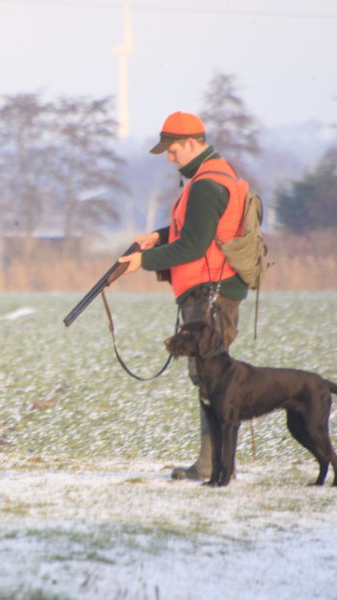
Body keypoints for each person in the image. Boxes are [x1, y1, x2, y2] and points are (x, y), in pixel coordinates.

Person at [117, 111, 249, 481]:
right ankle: (216, 463)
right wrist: (158, 236)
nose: (169, 158)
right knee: (210, 378)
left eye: (173, 150)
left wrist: (142, 261)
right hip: (215, 288)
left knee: (212, 380)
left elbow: (193, 245)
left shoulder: (206, 184)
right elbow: (198, 229)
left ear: (191, 143)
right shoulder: (217, 173)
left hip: (211, 292)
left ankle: (213, 466)